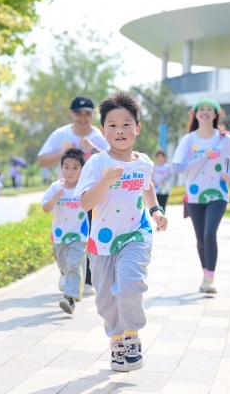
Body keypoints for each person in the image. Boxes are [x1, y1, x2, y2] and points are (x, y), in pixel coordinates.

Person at [75, 92, 167, 372]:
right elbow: (85, 203)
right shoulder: (98, 164)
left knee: (129, 286)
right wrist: (105, 180)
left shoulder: (144, 162)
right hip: (102, 243)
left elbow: (147, 186)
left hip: (135, 234)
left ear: (138, 128)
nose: (120, 130)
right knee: (105, 299)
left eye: (126, 124)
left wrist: (156, 211)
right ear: (102, 131)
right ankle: (116, 339)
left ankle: (132, 337)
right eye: (112, 125)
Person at [37, 95, 110, 296]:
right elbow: (41, 161)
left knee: (88, 234)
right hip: (66, 195)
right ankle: (66, 272)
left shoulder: (99, 136)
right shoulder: (61, 134)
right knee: (65, 236)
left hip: (92, 193)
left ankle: (86, 280)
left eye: (87, 113)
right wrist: (66, 153)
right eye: (79, 113)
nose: (83, 117)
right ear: (72, 113)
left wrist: (92, 149)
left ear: (93, 114)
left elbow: (113, 159)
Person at [171, 98, 230, 294]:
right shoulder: (189, 140)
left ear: (215, 115)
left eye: (209, 109)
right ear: (195, 115)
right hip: (194, 195)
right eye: (200, 109)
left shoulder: (224, 139)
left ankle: (210, 279)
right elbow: (178, 167)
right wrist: (202, 156)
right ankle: (205, 275)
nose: (204, 112)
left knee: (210, 233)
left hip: (218, 193)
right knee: (201, 238)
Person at [41, 148, 88, 315]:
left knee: (75, 264)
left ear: (82, 169)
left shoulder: (84, 188)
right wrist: (54, 199)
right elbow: (46, 208)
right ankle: (75, 284)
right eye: (66, 167)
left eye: (75, 167)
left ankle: (70, 297)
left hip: (79, 235)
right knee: (65, 266)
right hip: (60, 236)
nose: (70, 171)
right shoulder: (55, 187)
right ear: (61, 168)